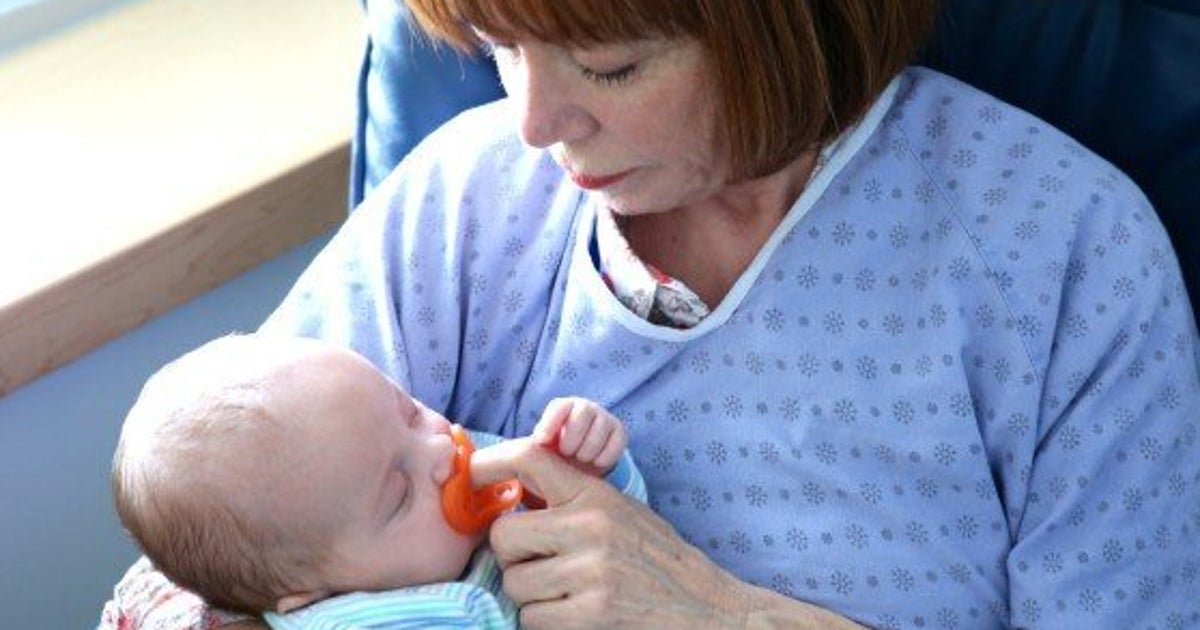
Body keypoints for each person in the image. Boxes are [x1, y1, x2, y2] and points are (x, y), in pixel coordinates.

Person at [103, 0, 1200, 627]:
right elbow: (219, 535)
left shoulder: (1062, 255)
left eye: (610, 65)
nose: (533, 122)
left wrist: (724, 616)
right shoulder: (462, 203)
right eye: (497, 43)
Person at [105, 334, 644, 629]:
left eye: (411, 411)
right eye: (400, 494)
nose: (440, 449)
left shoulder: (473, 476)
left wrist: (582, 468)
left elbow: (623, 544)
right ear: (309, 594)